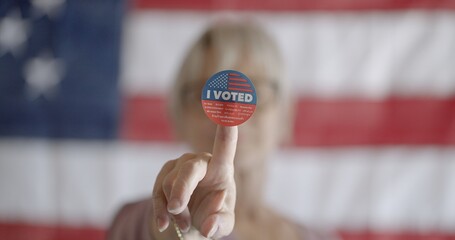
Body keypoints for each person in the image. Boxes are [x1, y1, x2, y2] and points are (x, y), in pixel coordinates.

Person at [108, 21, 339, 240]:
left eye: (252, 90)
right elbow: (154, 231)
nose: (231, 109)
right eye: (211, 92)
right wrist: (183, 223)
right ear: (178, 118)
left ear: (285, 116)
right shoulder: (133, 222)